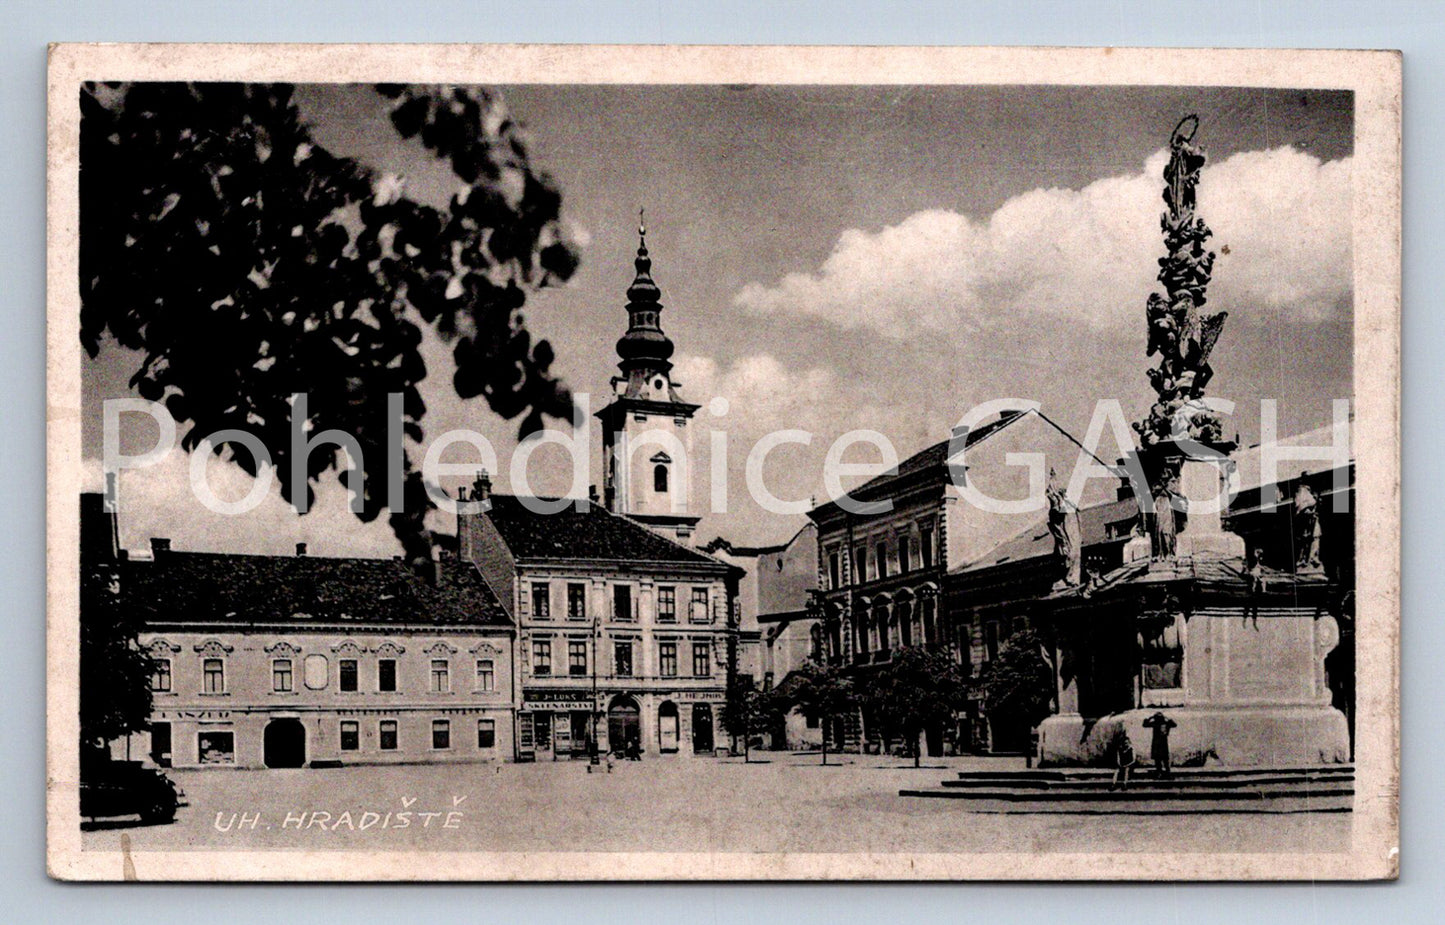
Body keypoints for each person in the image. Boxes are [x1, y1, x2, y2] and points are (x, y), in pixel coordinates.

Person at [1142, 711, 1178, 779]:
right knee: (1161, 760)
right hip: (1160, 744)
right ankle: (1163, 773)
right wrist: (1168, 719)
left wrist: (1150, 718)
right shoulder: (1163, 723)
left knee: (1161, 760)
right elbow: (1145, 725)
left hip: (1159, 744)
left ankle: (1163, 773)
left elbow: (1145, 724)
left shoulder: (1157, 723)